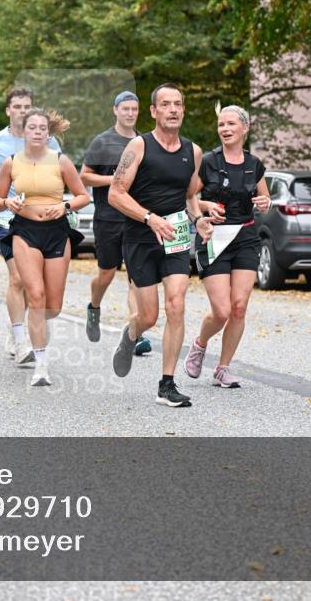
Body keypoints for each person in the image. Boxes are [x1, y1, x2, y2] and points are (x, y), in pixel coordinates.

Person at [108, 83, 214, 408]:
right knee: (149, 317)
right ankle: (130, 335)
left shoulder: (192, 151)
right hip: (141, 236)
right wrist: (149, 218)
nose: (172, 109)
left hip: (177, 236)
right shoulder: (139, 147)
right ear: (153, 111)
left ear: (183, 110)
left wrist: (198, 220)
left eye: (177, 104)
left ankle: (166, 384)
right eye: (165, 104)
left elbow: (190, 195)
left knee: (177, 304)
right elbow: (115, 193)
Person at [0, 109, 89, 386]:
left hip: (57, 233)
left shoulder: (61, 161)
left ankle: (30, 329)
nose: (36, 131)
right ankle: (41, 364)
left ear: (48, 133)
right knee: (35, 295)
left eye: (42, 128)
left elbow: (83, 196)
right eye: (31, 127)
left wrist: (65, 205)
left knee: (53, 306)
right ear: (24, 132)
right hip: (25, 232)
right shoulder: (11, 163)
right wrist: (7, 203)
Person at [184, 105, 270, 388]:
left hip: (245, 237)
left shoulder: (254, 164)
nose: (225, 129)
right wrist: (206, 208)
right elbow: (189, 197)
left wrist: (265, 203)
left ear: (244, 128)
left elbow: (264, 197)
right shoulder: (208, 161)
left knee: (239, 307)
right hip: (213, 237)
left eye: (231, 124)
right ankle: (200, 343)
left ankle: (223, 368)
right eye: (221, 124)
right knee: (221, 310)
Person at [0, 87, 61, 364]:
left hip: (41, 219)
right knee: (18, 277)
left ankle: (17, 324)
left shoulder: (49, 142)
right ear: (8, 110)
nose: (22, 111)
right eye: (17, 106)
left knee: (34, 282)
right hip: (7, 216)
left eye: (27, 106)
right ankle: (19, 339)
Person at [80, 91, 152, 355]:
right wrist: (114, 181)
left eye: (134, 109)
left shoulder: (144, 142)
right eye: (126, 109)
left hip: (135, 218)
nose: (130, 113)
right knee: (107, 274)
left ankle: (136, 335)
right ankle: (94, 307)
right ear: (116, 110)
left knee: (136, 278)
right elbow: (84, 177)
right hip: (107, 218)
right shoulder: (102, 141)